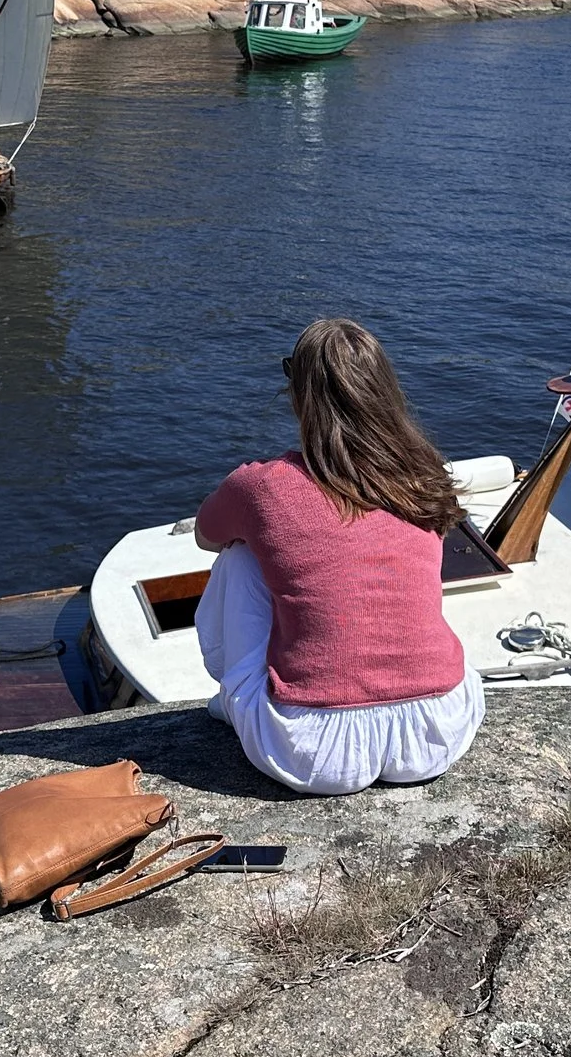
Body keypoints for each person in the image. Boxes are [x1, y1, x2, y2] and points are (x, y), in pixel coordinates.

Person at [193, 318, 485, 795]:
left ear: (299, 394)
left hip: (313, 749)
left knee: (239, 555)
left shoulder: (263, 486)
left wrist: (266, 532)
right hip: (440, 730)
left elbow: (206, 536)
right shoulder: (424, 476)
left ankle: (236, 698)